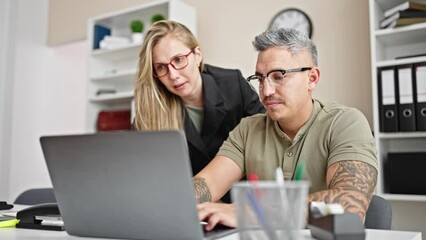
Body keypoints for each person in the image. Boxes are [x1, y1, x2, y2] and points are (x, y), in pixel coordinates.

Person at [194, 28, 378, 231]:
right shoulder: (248, 129)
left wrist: (251, 213)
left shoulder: (346, 123)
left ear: (312, 78)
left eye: (278, 76)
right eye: (261, 79)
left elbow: (350, 207)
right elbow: (206, 185)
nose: (266, 91)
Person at [133, 21, 265, 202]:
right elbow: (145, 176)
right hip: (187, 206)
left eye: (179, 60)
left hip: (245, 203)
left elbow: (267, 138)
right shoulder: (150, 113)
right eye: (161, 67)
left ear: (197, 55)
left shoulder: (232, 84)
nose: (173, 75)